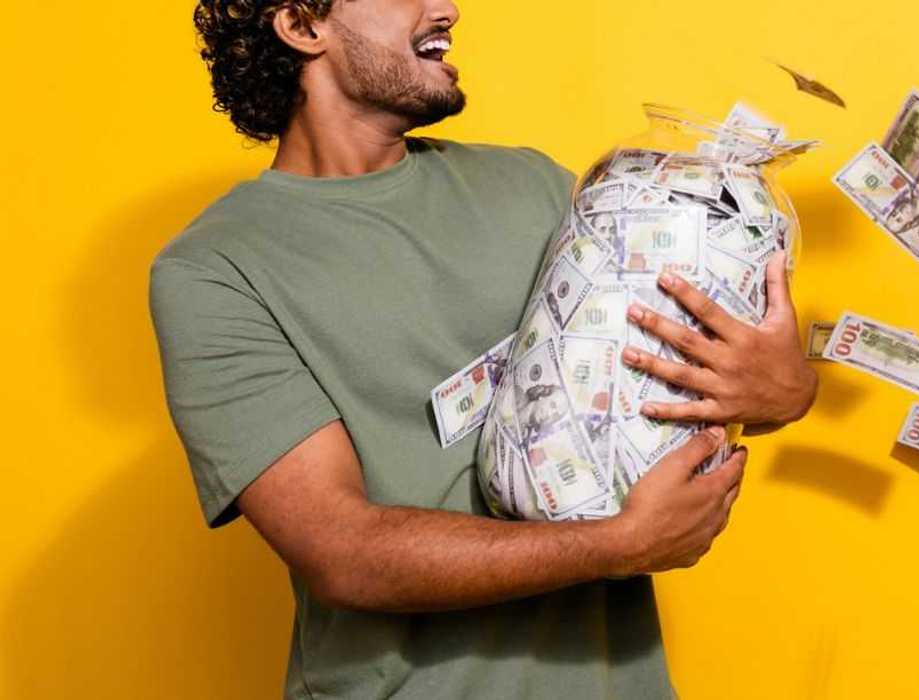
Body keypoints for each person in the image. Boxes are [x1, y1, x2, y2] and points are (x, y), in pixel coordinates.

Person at [148, 1, 818, 697]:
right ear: (302, 26)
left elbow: (660, 397)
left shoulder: (538, 186)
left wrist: (784, 394)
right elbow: (341, 551)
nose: (448, 8)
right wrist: (617, 545)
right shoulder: (217, 268)